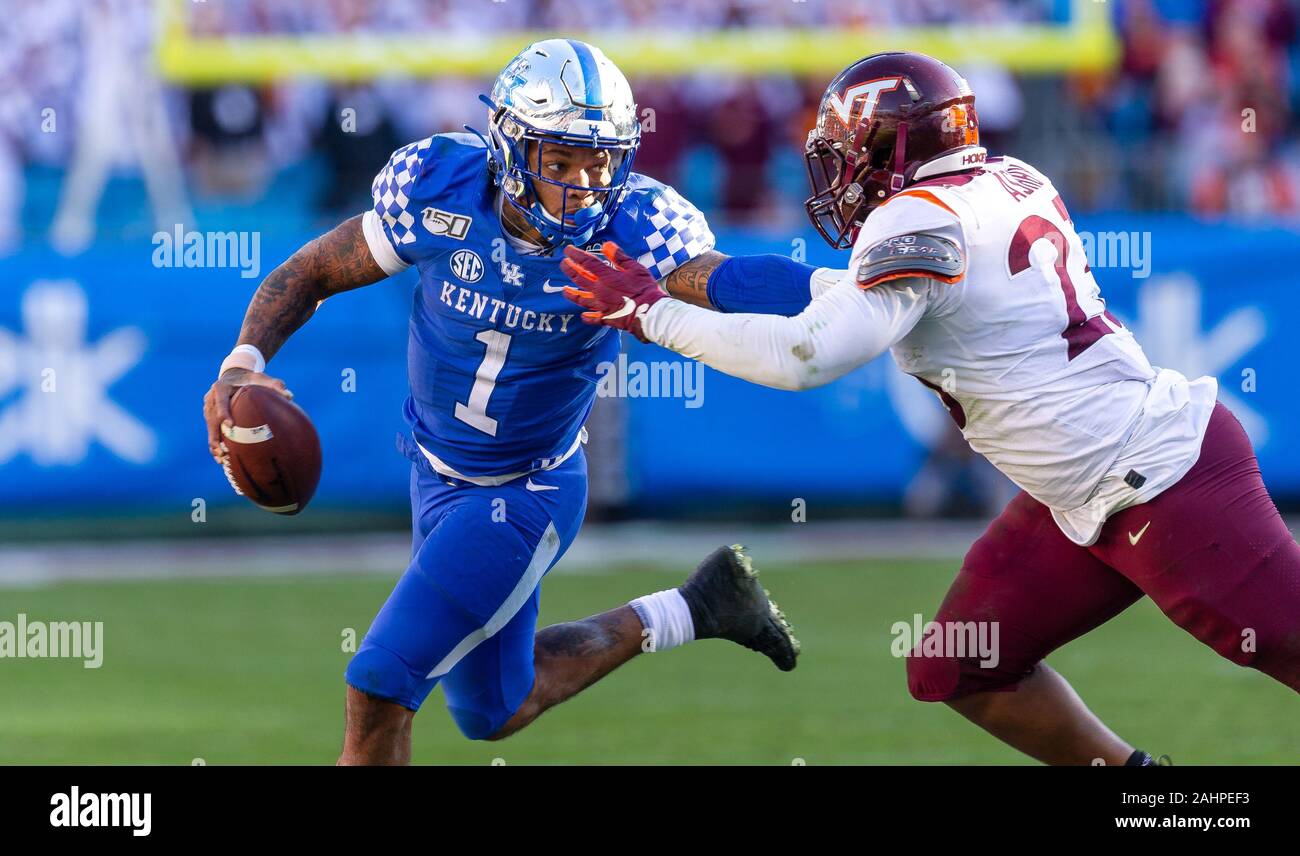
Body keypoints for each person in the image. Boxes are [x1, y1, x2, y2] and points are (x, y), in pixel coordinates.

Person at [561, 50, 1300, 766]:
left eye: (848, 152)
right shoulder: (1006, 179)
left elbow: (806, 356)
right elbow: (832, 295)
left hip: (1160, 481)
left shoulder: (919, 218)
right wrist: (686, 279)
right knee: (957, 664)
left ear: (893, 146)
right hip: (1080, 489)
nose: (838, 174)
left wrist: (651, 315)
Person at [201, 40, 806, 765]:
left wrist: (841, 286)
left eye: (599, 160)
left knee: (378, 686)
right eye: (560, 162)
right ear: (511, 148)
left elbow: (724, 282)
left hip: (525, 492)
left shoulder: (635, 225)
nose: (583, 184)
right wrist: (243, 364)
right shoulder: (440, 186)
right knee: (496, 707)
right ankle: (700, 605)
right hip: (435, 476)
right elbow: (311, 272)